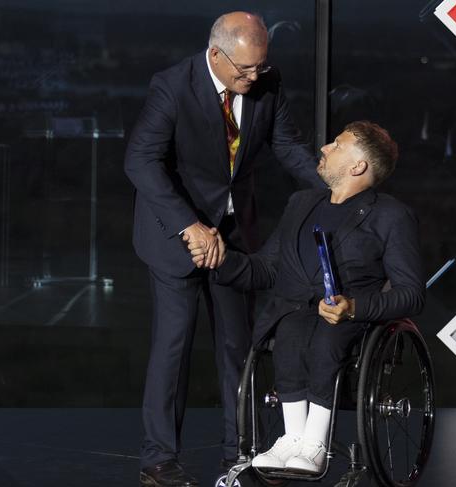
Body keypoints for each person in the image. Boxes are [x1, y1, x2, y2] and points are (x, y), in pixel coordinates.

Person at [124, 11, 322, 487]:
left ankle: (241, 456)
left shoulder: (267, 82)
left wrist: (334, 188)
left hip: (234, 235)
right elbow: (141, 160)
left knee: (239, 349)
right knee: (174, 346)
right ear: (216, 54)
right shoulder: (173, 86)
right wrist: (189, 226)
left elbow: (287, 144)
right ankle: (159, 462)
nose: (255, 78)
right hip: (176, 233)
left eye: (261, 67)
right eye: (244, 71)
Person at [190, 121, 425, 474]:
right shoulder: (301, 204)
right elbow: (267, 269)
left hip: (349, 319)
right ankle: (292, 439)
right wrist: (222, 260)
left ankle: (315, 443)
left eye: (337, 145)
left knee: (324, 339)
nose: (325, 148)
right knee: (289, 335)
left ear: (357, 166)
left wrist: (354, 307)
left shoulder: (390, 216)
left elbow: (411, 294)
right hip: (293, 312)